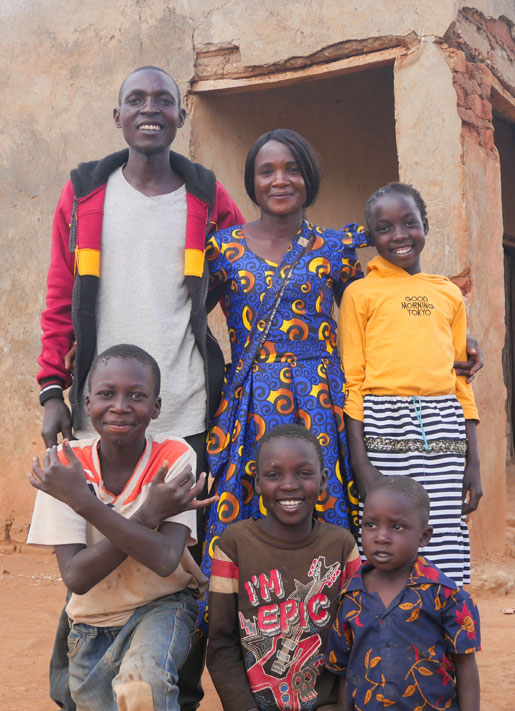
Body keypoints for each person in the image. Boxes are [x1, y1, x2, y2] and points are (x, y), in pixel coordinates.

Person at [35, 66, 242, 711]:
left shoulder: (207, 197)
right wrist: (52, 389)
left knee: (177, 563)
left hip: (181, 407)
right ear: (116, 114)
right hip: (103, 408)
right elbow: (62, 291)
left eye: (163, 101)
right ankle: (72, 708)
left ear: (181, 117)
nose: (149, 111)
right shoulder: (86, 191)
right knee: (93, 555)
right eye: (136, 100)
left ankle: (171, 709)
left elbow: (248, 271)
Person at [202, 133, 485, 612]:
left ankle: (331, 633)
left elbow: (385, 311)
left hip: (323, 408)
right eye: (266, 171)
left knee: (327, 516)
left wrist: (457, 340)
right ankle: (255, 637)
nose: (280, 180)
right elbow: (186, 323)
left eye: (292, 168)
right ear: (251, 181)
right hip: (248, 408)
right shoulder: (223, 249)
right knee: (250, 516)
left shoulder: (334, 247)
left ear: (309, 178)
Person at [27, 345, 217, 711]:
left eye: (137, 395)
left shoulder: (175, 457)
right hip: (91, 624)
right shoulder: (63, 465)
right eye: (107, 394)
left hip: (162, 606)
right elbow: (77, 576)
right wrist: (146, 515)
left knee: (142, 686)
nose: (120, 406)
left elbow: (166, 560)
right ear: (86, 401)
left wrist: (84, 502)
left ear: (157, 406)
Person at [339, 182, 483, 585]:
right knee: (389, 539)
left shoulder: (448, 293)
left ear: (426, 225)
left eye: (409, 223)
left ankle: (440, 633)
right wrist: (361, 463)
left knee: (441, 540)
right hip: (384, 427)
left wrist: (473, 461)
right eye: (384, 228)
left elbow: (461, 381)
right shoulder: (360, 294)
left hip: (445, 428)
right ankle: (390, 634)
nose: (399, 235)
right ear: (370, 238)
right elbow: (353, 382)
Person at [206, 424, 361, 711]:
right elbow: (221, 644)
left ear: (321, 481)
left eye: (303, 473)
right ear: (258, 482)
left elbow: (357, 637)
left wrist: (344, 705)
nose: (289, 485)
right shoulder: (235, 544)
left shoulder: (341, 545)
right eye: (274, 475)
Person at [324, 476, 482, 711]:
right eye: (371, 525)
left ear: (424, 537)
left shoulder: (445, 596)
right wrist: (343, 707)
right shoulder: (351, 596)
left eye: (396, 527)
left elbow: (466, 668)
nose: (381, 537)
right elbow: (345, 664)